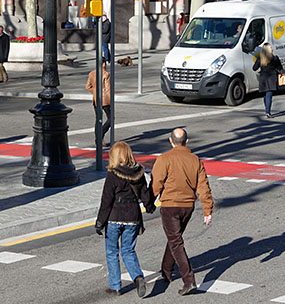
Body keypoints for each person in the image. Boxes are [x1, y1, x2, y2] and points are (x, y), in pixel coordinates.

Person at [150, 128, 213, 296]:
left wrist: (149, 202)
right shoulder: (195, 160)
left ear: (171, 141)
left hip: (170, 206)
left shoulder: (164, 159)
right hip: (187, 207)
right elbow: (203, 186)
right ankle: (166, 270)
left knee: (175, 241)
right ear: (187, 141)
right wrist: (207, 209)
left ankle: (189, 280)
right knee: (175, 238)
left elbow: (156, 184)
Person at [95, 141, 156, 297]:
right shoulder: (138, 173)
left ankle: (115, 286)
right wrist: (150, 207)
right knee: (128, 250)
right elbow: (145, 196)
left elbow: (106, 200)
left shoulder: (113, 174)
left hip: (114, 217)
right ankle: (137, 277)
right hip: (133, 217)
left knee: (112, 251)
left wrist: (100, 222)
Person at [253, 43, 284, 118]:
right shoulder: (274, 58)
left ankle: (267, 110)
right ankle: (268, 112)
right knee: (269, 94)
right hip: (272, 77)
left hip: (263, 77)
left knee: (266, 94)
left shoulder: (260, 58)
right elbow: (280, 68)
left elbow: (254, 68)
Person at [86, 57, 111, 146]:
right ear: (103, 64)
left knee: (98, 119)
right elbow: (108, 90)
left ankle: (98, 139)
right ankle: (101, 134)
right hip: (105, 99)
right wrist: (110, 101)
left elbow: (88, 86)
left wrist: (95, 92)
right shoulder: (105, 74)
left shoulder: (91, 74)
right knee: (111, 119)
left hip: (96, 99)